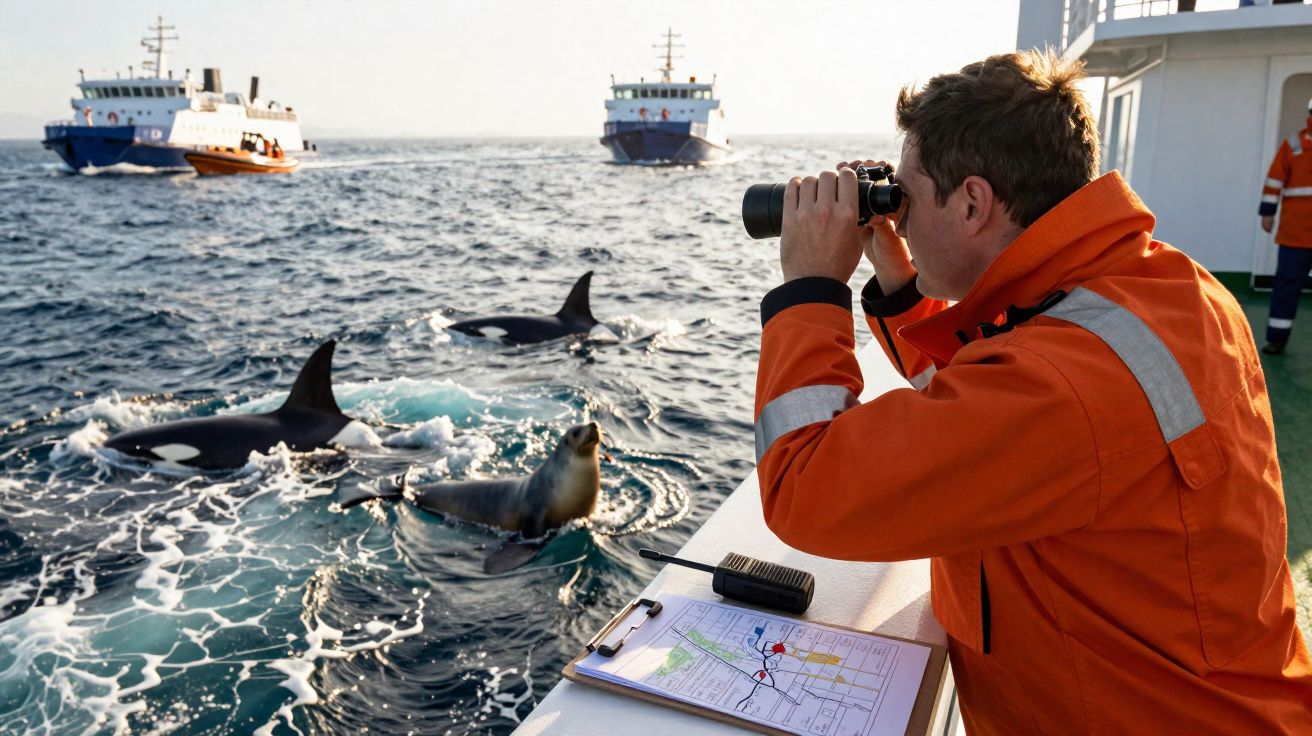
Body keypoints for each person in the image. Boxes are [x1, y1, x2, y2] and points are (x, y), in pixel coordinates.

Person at [754, 50, 1311, 734]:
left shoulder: (1063, 381)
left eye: (907, 194)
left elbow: (806, 487)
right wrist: (904, 283)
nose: (898, 215)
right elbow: (988, 396)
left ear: (973, 203)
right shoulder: (1161, 290)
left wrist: (810, 288)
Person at [1257, 97, 1312, 355]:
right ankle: (1277, 338)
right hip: (1295, 233)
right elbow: (1274, 181)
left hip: (1296, 231)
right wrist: (1267, 212)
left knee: (1287, 285)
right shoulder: (1293, 145)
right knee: (1287, 286)